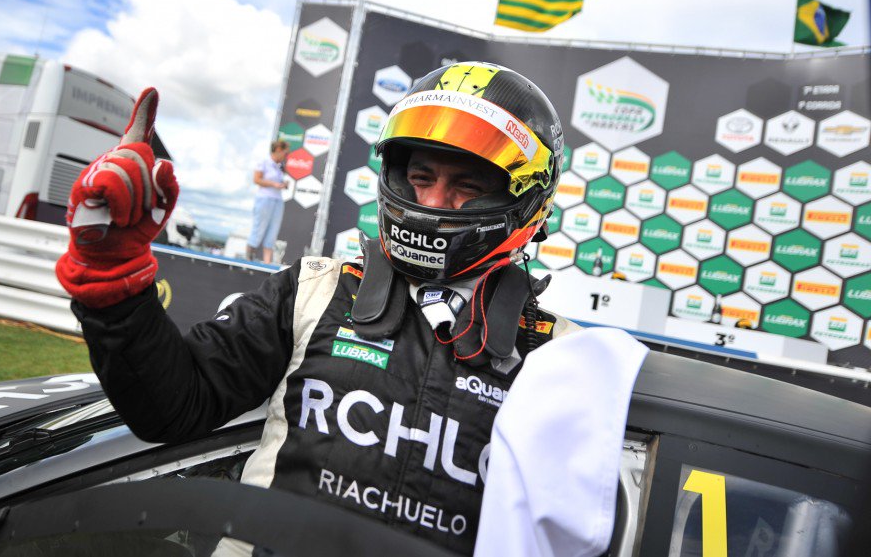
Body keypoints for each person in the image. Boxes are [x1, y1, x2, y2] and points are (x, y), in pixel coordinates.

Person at [55, 62, 585, 555]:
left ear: (529, 201)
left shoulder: (560, 356)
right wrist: (113, 281)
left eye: (467, 185)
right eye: (421, 178)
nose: (431, 203)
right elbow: (172, 405)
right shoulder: (314, 289)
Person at [246, 139, 289, 264]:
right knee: (258, 229)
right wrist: (273, 184)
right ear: (278, 150)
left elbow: (280, 181)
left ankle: (267, 263)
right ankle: (248, 259)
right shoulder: (263, 162)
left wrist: (284, 184)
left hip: (278, 200)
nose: (285, 156)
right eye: (284, 153)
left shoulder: (280, 166)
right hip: (264, 199)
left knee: (273, 231)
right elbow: (256, 180)